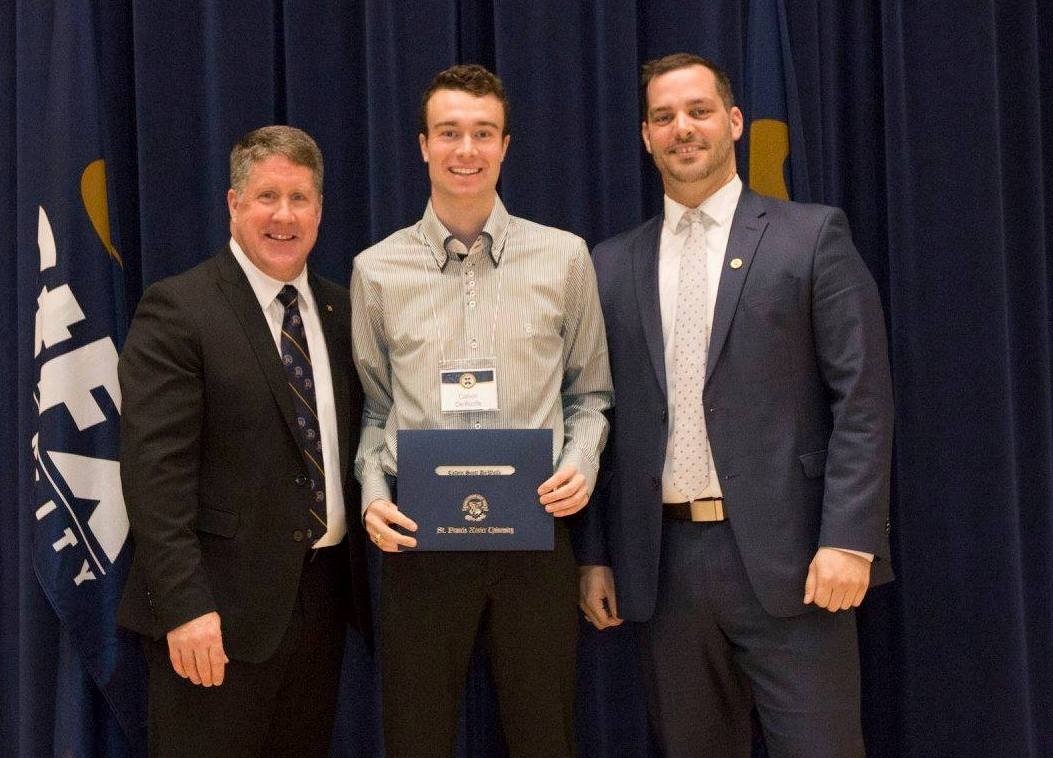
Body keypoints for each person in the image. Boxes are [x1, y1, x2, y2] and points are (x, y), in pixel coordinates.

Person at [577, 53, 894, 758]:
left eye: (697, 111)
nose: (681, 129)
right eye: (663, 117)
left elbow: (862, 399)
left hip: (797, 563)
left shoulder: (810, 236)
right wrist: (595, 556)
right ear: (644, 136)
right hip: (663, 569)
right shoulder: (608, 264)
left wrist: (849, 539)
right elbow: (596, 419)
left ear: (734, 122)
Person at [351, 64, 612, 757]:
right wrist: (374, 496)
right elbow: (375, 410)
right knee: (415, 738)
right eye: (449, 133)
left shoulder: (564, 258)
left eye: (482, 133)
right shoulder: (376, 270)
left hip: (534, 535)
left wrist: (580, 463)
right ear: (421, 145)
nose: (465, 150)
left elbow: (589, 396)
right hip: (418, 543)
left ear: (504, 145)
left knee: (543, 737)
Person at [117, 125, 371, 757]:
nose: (283, 216)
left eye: (300, 198)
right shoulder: (179, 309)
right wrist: (185, 608)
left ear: (320, 209)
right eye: (266, 197)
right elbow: (155, 478)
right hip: (216, 619)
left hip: (323, 602)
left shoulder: (342, 313)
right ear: (233, 204)